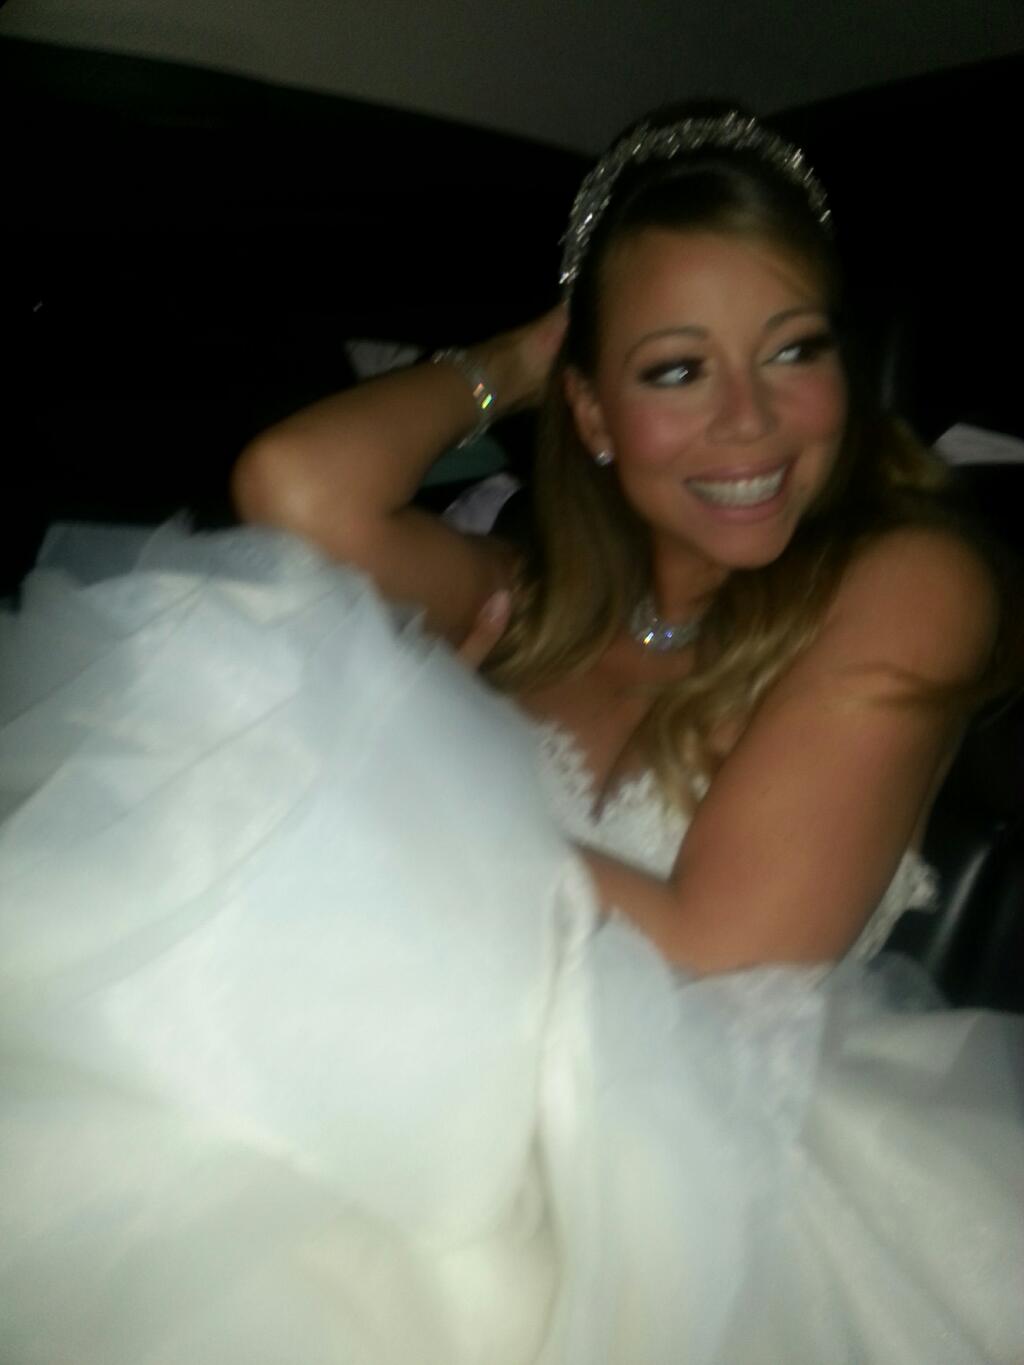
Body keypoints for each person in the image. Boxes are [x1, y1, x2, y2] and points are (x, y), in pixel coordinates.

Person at [0, 106, 1021, 1365]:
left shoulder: (910, 581)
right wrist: (518, 362)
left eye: (792, 350)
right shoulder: (528, 598)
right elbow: (294, 492)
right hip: (381, 1056)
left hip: (677, 1155)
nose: (751, 420)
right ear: (590, 415)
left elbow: (725, 947)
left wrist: (410, 775)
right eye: (676, 370)